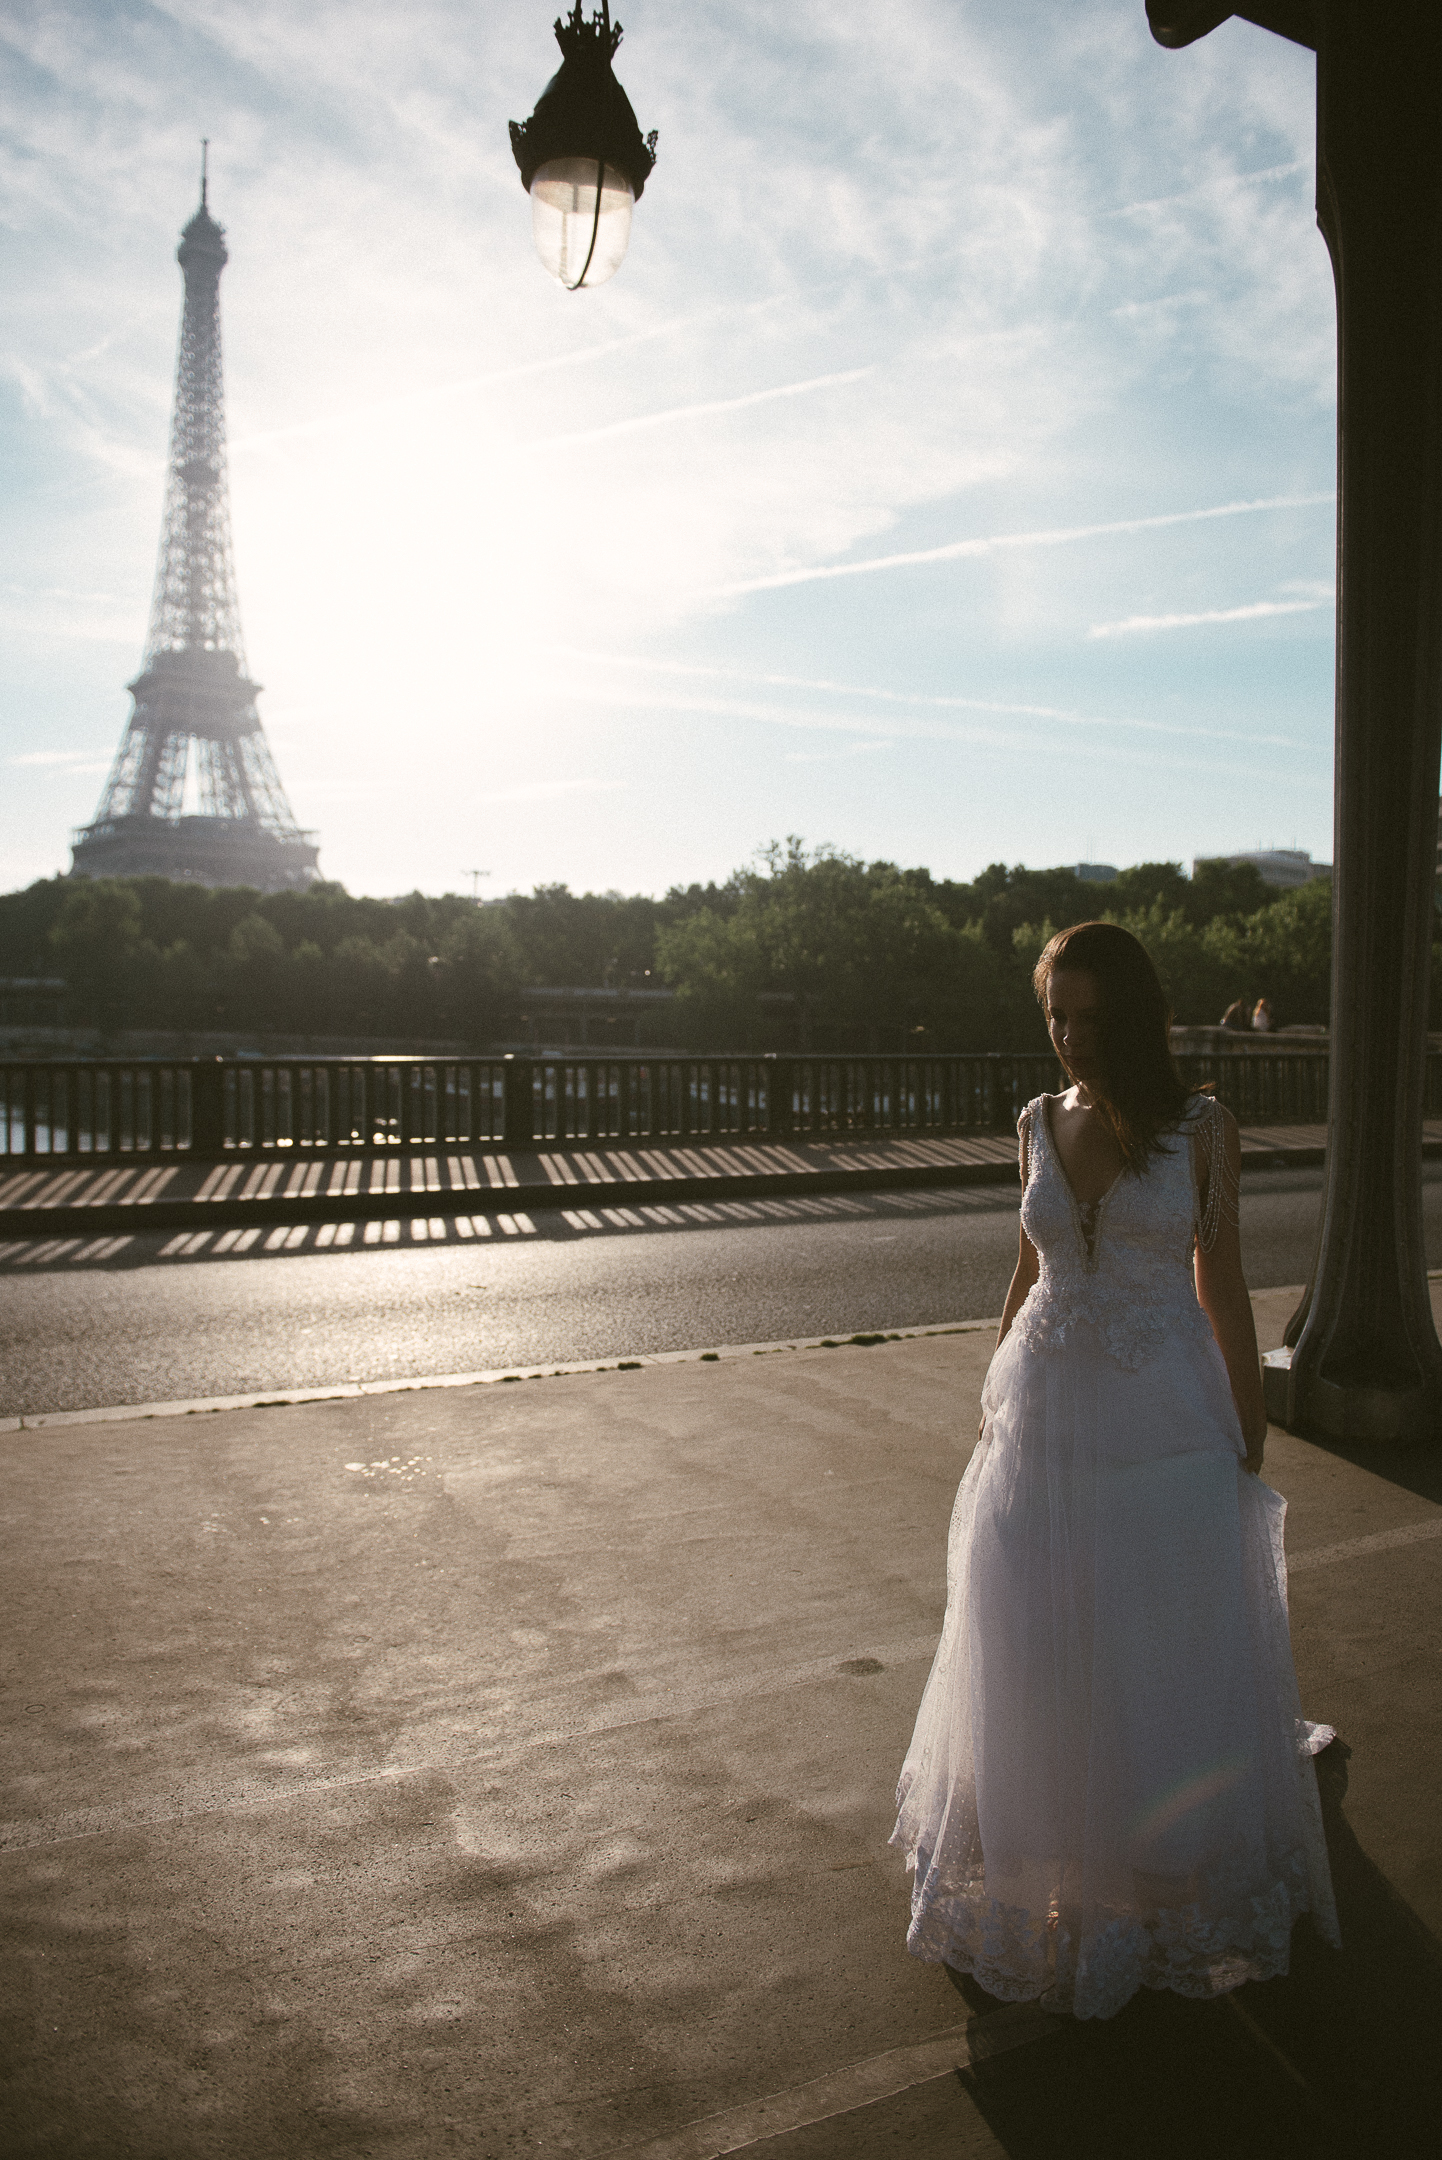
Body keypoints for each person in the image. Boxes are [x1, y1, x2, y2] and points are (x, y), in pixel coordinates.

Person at [891, 921, 1337, 2020]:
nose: (1070, 1037)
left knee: (1152, 1640)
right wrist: (991, 1392)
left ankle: (1156, 1875)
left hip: (1158, 1419)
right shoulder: (1037, 1121)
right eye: (1055, 1015)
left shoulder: (1199, 1128)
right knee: (1037, 1638)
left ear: (1131, 1016)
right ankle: (1052, 1864)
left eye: (1090, 1017)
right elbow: (1024, 1265)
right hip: (1039, 1418)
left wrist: (1248, 1425)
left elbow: (1220, 1287)